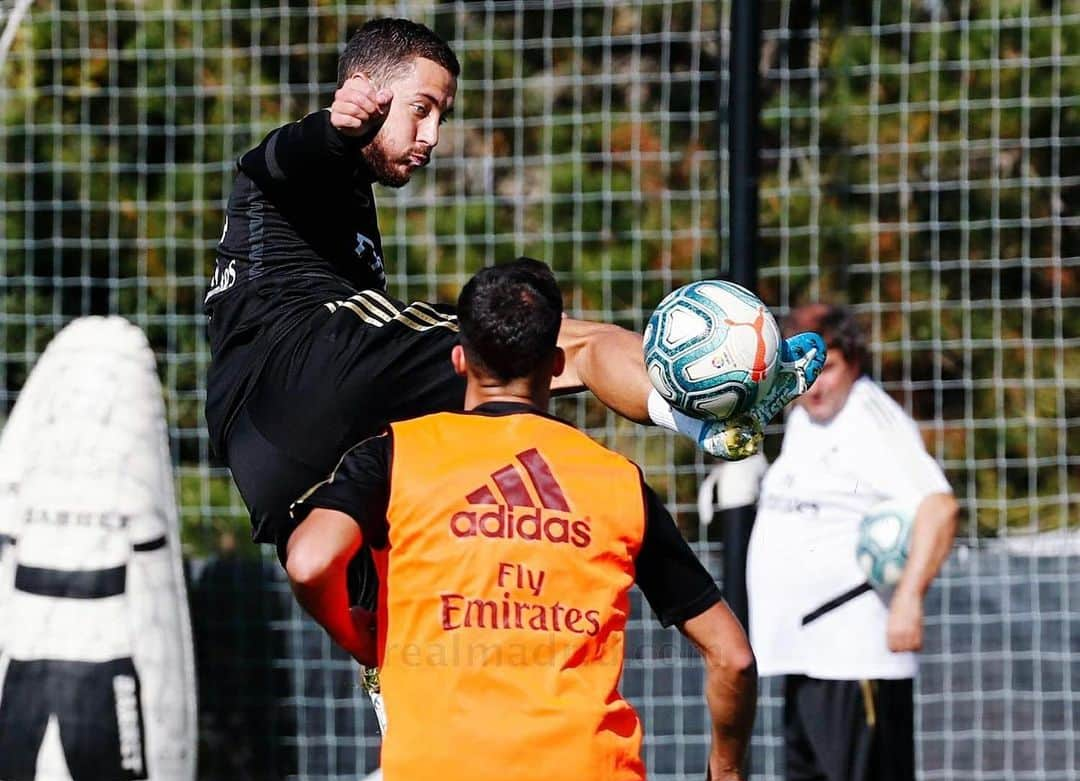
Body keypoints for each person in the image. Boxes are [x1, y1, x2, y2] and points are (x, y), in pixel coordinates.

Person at [285, 258, 758, 781]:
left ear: (459, 358)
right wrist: (725, 778)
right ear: (555, 365)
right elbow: (732, 652)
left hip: (445, 778)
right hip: (583, 779)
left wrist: (362, 635)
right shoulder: (616, 481)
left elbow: (308, 559)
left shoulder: (398, 453)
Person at [204, 16, 824, 593]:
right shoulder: (300, 164)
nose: (432, 136)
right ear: (365, 90)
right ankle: (702, 415)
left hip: (270, 466)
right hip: (307, 365)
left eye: (441, 117)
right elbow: (281, 158)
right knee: (569, 344)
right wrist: (332, 126)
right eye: (421, 111)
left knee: (396, 619)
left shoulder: (340, 208)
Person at [746, 303, 958, 781]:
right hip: (801, 651)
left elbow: (937, 504)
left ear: (854, 362)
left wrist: (908, 597)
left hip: (857, 649)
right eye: (804, 366)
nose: (815, 382)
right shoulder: (802, 418)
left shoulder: (871, 418)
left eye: (827, 366)